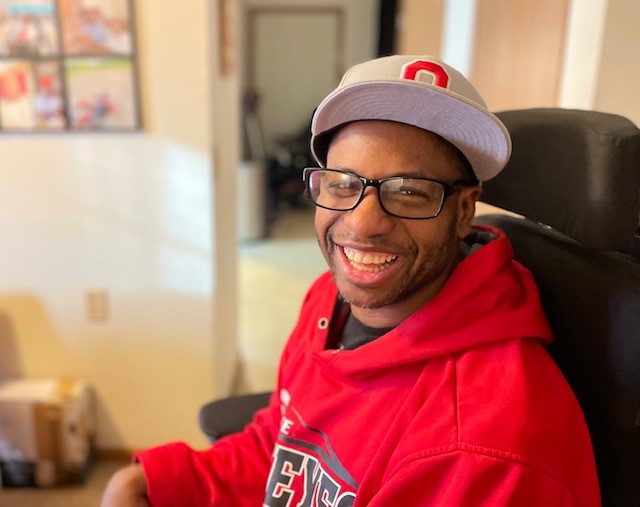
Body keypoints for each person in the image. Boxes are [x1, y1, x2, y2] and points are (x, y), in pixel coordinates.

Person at [101, 55, 600, 506]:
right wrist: (158, 480)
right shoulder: (331, 301)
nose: (361, 225)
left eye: (408, 191)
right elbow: (282, 447)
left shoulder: (483, 453)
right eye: (343, 184)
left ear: (464, 210)